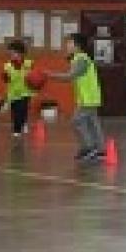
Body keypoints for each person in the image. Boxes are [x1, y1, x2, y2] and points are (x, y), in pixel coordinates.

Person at [49, 33, 105, 162]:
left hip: (88, 98)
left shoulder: (81, 59)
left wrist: (49, 75)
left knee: (77, 121)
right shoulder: (79, 58)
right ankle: (100, 150)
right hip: (89, 97)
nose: (67, 46)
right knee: (92, 123)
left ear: (78, 46)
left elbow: (70, 76)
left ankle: (89, 147)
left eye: (70, 43)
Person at [2, 40, 35, 138]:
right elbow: (6, 79)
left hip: (25, 92)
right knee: (15, 112)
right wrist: (5, 77)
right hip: (13, 93)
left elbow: (34, 75)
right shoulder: (7, 65)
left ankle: (17, 130)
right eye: (10, 53)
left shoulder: (29, 63)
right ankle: (20, 124)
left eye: (13, 53)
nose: (11, 55)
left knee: (22, 109)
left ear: (21, 53)